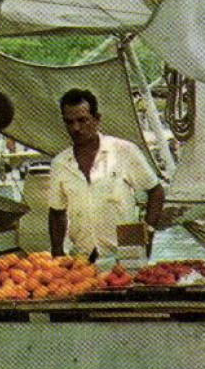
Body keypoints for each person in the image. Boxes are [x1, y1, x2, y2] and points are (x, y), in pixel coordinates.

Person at [46, 88, 165, 260]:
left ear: (96, 120)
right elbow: (57, 211)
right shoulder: (60, 163)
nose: (76, 128)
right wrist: (57, 252)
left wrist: (148, 232)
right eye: (69, 122)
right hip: (82, 258)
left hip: (126, 253)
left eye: (82, 120)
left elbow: (156, 192)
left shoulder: (124, 151)